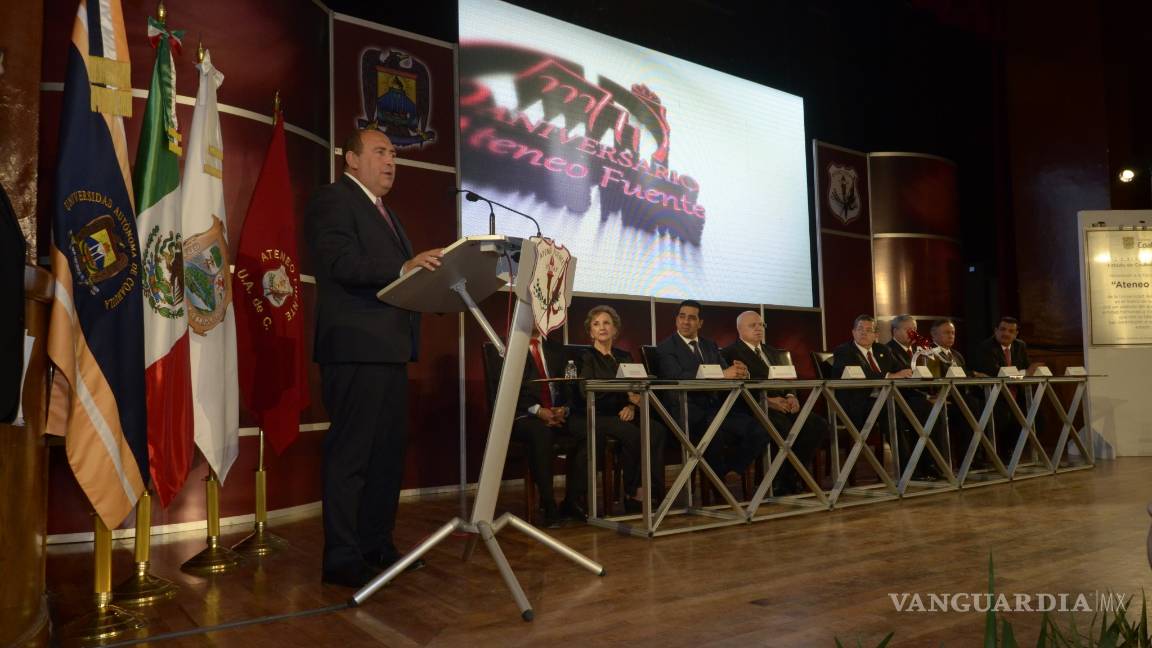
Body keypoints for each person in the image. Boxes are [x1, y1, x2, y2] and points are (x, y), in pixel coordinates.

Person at [308, 128, 445, 588]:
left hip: (389, 351)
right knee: (352, 457)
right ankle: (342, 558)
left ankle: (377, 546)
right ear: (351, 158)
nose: (391, 161)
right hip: (355, 348)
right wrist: (404, 267)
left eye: (394, 154)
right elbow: (340, 263)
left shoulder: (385, 212)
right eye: (380, 152)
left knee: (386, 456)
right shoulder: (333, 200)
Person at [654, 300, 762, 485]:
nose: (686, 322)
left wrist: (740, 372)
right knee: (714, 434)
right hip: (686, 411)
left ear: (700, 323)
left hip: (715, 408)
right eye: (682, 317)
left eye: (691, 318)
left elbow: (726, 371)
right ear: (676, 320)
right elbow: (678, 377)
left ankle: (733, 470)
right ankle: (719, 487)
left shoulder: (709, 345)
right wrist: (723, 374)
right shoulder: (666, 347)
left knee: (759, 428)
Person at [721, 311, 829, 495]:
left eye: (761, 325)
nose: (758, 328)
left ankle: (790, 476)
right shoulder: (729, 353)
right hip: (755, 407)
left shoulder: (773, 352)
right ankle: (776, 481)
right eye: (752, 325)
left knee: (817, 424)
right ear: (739, 329)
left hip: (784, 405)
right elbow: (734, 391)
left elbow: (788, 379)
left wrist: (791, 395)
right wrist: (767, 401)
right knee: (782, 427)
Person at [573, 305, 667, 513]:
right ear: (591, 332)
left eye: (607, 323)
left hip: (624, 411)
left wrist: (630, 405)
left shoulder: (624, 356)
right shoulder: (585, 356)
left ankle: (650, 489)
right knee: (633, 434)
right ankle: (634, 492)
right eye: (596, 324)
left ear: (615, 329)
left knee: (656, 430)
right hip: (598, 413)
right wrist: (624, 397)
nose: (602, 327)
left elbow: (635, 387)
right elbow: (586, 390)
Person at [510, 330, 580, 527]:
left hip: (557, 413)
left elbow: (569, 386)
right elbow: (508, 389)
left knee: (586, 428)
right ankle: (549, 504)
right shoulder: (510, 348)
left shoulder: (556, 349)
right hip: (524, 414)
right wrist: (539, 411)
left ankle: (572, 501)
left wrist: (564, 409)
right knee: (541, 432)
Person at [969, 316, 1045, 460]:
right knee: (1004, 416)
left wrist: (1028, 372)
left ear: (1016, 334)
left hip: (1017, 393)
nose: (1006, 333)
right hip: (994, 395)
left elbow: (1026, 368)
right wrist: (1026, 373)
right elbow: (996, 374)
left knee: (1038, 418)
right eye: (1003, 329)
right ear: (995, 330)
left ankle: (1015, 450)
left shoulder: (1020, 346)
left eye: (1011, 331)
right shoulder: (986, 347)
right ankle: (1001, 454)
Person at [831, 315, 913, 443]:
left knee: (919, 405)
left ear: (876, 335)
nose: (863, 332)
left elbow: (900, 370)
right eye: (860, 329)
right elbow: (860, 375)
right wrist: (888, 376)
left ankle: (925, 454)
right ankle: (904, 456)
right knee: (890, 408)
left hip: (883, 400)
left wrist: (907, 372)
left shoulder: (883, 350)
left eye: (869, 330)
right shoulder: (844, 351)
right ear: (853, 332)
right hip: (857, 403)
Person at [886, 315, 941, 480]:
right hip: (900, 398)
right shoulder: (887, 350)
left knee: (938, 408)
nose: (913, 333)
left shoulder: (920, 351)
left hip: (920, 396)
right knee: (925, 410)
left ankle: (935, 465)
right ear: (895, 331)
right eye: (908, 330)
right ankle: (917, 469)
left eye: (915, 330)